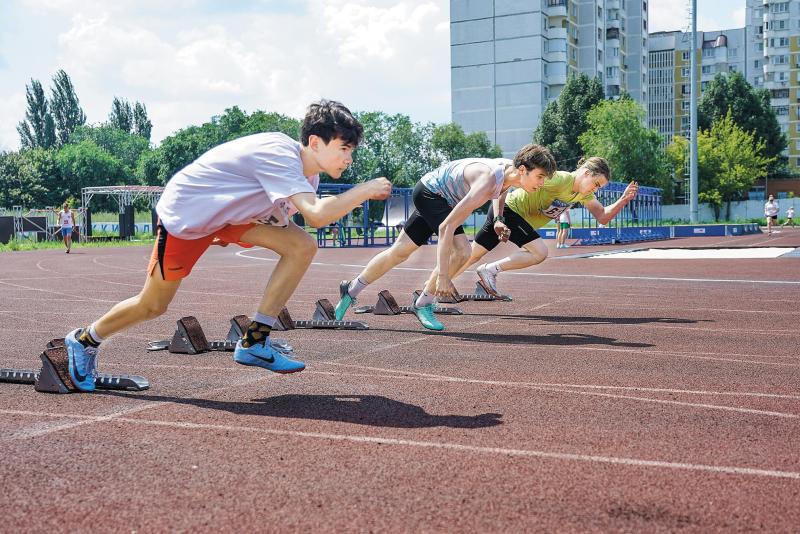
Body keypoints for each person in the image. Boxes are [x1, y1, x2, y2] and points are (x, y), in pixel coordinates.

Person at [62, 100, 392, 392]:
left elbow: (286, 219)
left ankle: (254, 340)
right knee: (153, 305)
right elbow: (318, 215)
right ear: (315, 142)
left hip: (230, 216)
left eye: (352, 151)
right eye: (344, 148)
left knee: (301, 246)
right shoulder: (280, 155)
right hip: (188, 216)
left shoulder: (310, 177)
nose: (349, 158)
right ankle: (84, 340)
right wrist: (365, 190)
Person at [334, 144, 557, 331]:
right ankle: (423, 302)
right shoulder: (486, 181)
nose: (541, 184)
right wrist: (442, 277)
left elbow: (502, 190)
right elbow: (446, 227)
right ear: (522, 170)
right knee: (463, 251)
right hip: (432, 195)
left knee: (399, 251)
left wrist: (498, 218)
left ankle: (351, 289)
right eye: (539, 177)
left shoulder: (509, 174)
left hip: (436, 193)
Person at [454, 157, 638, 296]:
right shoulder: (559, 180)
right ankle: (488, 270)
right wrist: (499, 218)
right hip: (509, 211)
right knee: (539, 251)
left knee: (471, 255)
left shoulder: (583, 195)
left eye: (599, 188)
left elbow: (602, 217)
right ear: (586, 173)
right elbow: (506, 184)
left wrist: (623, 200)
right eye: (596, 184)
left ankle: (439, 286)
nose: (595, 189)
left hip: (513, 217)